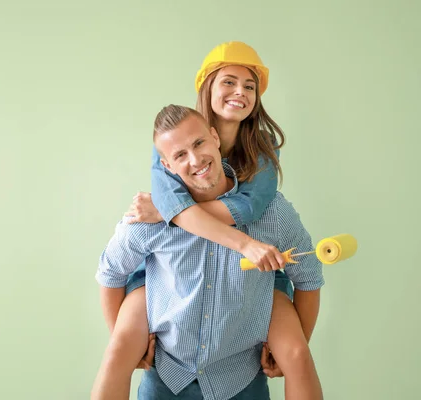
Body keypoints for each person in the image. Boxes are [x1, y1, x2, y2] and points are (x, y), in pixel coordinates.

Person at [91, 42, 324, 400]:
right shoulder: (163, 173)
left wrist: (176, 214)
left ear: (213, 139)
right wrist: (166, 212)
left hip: (245, 330)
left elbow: (256, 210)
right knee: (121, 343)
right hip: (169, 341)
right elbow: (112, 272)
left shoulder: (263, 163)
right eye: (228, 82)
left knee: (295, 350)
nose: (195, 158)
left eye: (250, 86)